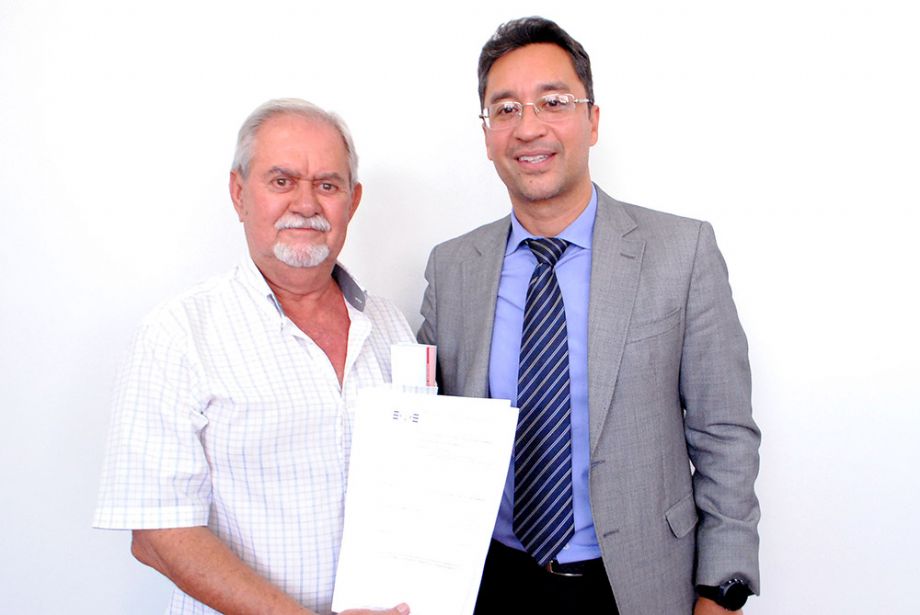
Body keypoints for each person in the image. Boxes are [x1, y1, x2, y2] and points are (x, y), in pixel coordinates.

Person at [417, 17, 760, 615]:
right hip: (489, 581)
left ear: (593, 121)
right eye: (505, 109)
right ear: (487, 133)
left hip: (637, 583)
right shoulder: (453, 268)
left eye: (553, 102)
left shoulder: (681, 252)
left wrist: (721, 593)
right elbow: (424, 429)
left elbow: (724, 433)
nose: (529, 127)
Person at [94, 98, 411, 615]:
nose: (306, 204)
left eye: (327, 185)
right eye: (282, 181)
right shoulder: (178, 333)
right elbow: (155, 533)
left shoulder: (392, 326)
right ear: (239, 193)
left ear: (352, 202)